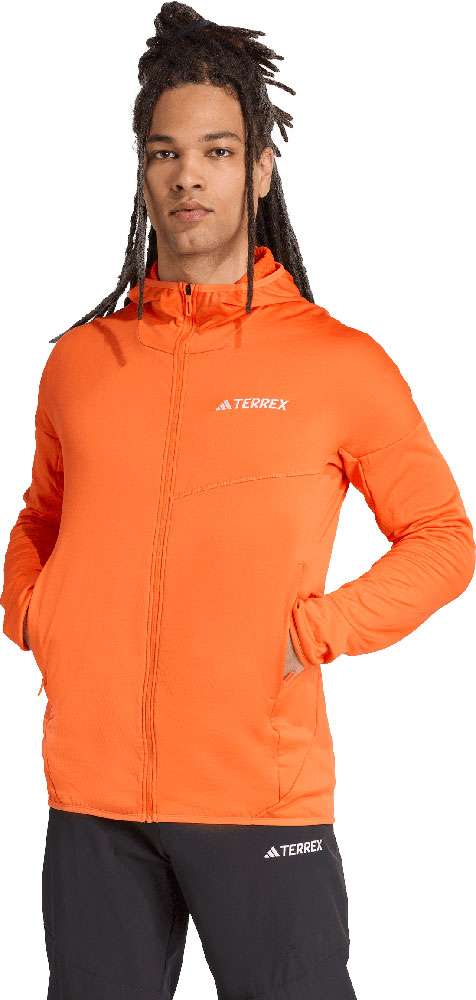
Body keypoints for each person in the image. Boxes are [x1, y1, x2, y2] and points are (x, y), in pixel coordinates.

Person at [1, 4, 475, 998]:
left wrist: (316, 630)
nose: (189, 176)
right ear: (142, 170)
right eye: (165, 152)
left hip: (260, 797)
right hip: (92, 800)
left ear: (259, 168)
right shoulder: (82, 362)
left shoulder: (337, 363)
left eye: (216, 151)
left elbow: (441, 537)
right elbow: (42, 516)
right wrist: (36, 614)